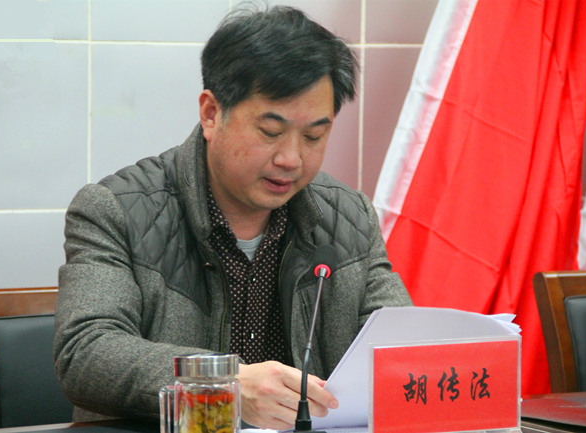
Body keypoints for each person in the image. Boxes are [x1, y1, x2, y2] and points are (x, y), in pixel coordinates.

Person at [54, 4, 412, 430]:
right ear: (211, 113)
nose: (291, 158)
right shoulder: (116, 211)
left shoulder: (349, 217)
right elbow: (86, 352)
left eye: (314, 136)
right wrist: (225, 385)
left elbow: (400, 350)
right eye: (270, 132)